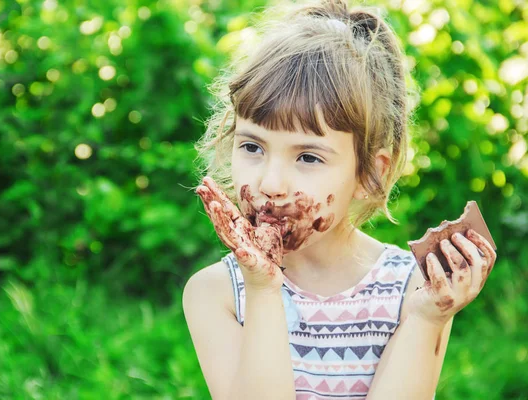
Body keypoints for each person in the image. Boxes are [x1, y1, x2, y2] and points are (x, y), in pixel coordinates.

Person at [182, 0, 497, 399]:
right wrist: (262, 288)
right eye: (252, 147)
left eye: (308, 157)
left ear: (370, 174)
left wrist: (427, 318)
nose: (270, 182)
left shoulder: (414, 290)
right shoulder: (217, 293)